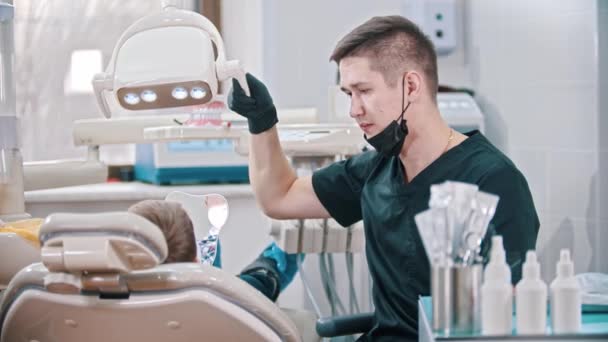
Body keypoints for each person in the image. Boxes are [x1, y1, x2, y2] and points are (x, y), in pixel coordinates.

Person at [228, 15, 539, 341]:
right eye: (349, 94)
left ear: (411, 86)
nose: (354, 110)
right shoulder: (376, 170)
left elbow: (508, 314)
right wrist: (262, 120)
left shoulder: (493, 180)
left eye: (363, 91)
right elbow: (279, 197)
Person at [127, 199, 300, 302]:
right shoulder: (224, 300)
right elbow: (263, 281)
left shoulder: (106, 303)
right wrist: (214, 280)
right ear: (195, 260)